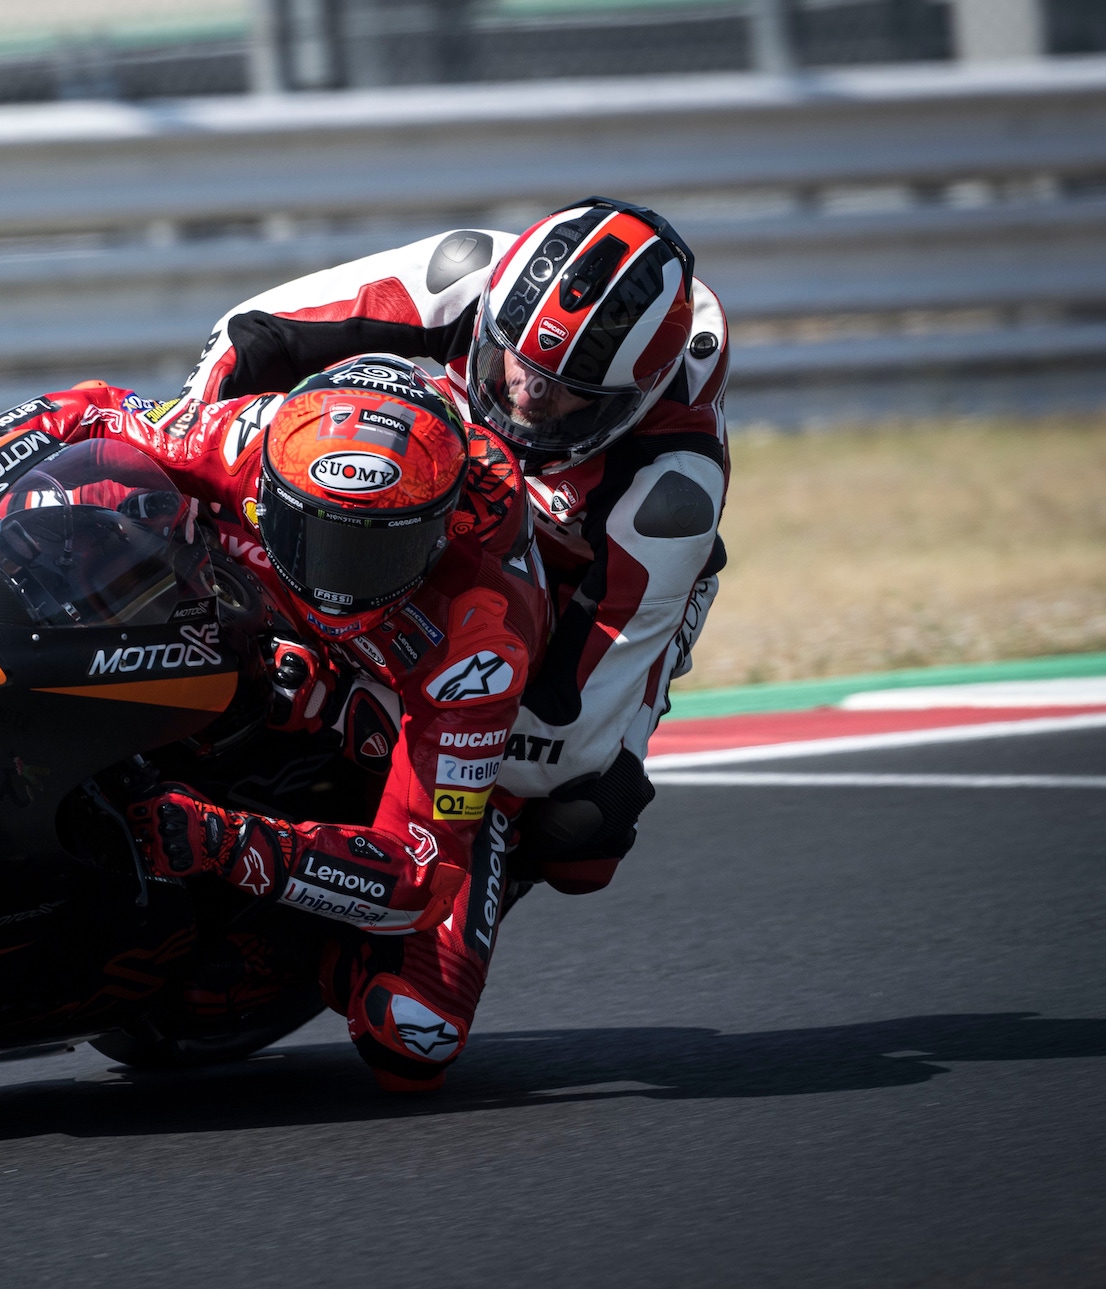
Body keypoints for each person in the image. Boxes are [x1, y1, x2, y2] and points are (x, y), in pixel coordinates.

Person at [0, 355, 549, 1090]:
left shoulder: (481, 639)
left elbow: (421, 874)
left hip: (390, 752)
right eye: (314, 532)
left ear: (434, 533)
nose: (336, 574)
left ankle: (297, 909)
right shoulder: (244, 436)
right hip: (234, 625)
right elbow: (95, 412)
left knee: (415, 1034)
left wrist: (231, 844)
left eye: (375, 549)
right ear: (273, 482)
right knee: (93, 489)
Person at [154, 197, 731, 897]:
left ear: (634, 398)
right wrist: (186, 461)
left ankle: (424, 879)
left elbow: (563, 734)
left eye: (562, 392)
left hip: (559, 577)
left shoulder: (671, 489)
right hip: (405, 490)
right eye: (509, 359)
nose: (523, 394)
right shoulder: (457, 274)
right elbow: (248, 336)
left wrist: (351, 702)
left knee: (581, 825)